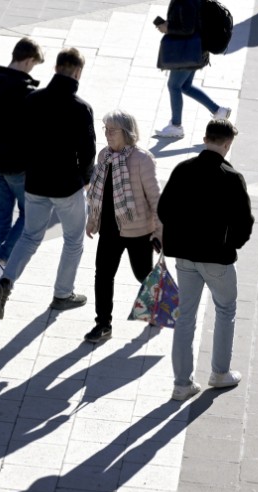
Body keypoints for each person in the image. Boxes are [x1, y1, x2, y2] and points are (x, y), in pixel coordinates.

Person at [0, 48, 95, 320]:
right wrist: (84, 179)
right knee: (73, 240)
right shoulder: (81, 108)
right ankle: (62, 294)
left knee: (30, 236)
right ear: (78, 72)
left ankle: (5, 283)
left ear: (56, 68)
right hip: (67, 186)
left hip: (34, 182)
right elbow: (88, 151)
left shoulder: (32, 100)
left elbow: (20, 140)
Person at [157, 119, 253, 401]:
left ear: (204, 138)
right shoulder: (231, 177)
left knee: (185, 316)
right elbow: (243, 223)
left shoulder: (183, 169)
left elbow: (164, 210)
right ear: (227, 144)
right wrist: (230, 244)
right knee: (225, 310)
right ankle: (219, 373)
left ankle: (181, 384)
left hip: (184, 257)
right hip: (217, 259)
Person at [83, 110, 162, 343]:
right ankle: (103, 324)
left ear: (126, 133)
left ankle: (158, 305)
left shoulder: (142, 159)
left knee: (143, 275)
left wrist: (159, 232)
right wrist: (92, 219)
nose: (107, 134)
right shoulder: (103, 157)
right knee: (103, 275)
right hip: (110, 229)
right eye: (105, 129)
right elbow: (98, 195)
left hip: (138, 232)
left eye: (112, 130)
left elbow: (156, 199)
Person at [0, 37, 44, 279]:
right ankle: (2, 258)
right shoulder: (25, 93)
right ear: (28, 60)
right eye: (33, 64)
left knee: (2, 216)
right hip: (17, 166)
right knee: (32, 214)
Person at [154, 0, 230, 139]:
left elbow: (187, 28)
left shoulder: (185, 2)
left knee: (174, 85)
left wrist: (168, 28)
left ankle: (176, 126)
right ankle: (218, 111)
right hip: (196, 50)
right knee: (185, 86)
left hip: (188, 52)